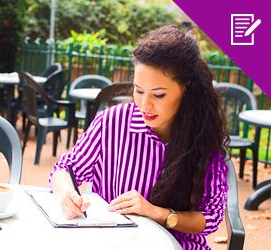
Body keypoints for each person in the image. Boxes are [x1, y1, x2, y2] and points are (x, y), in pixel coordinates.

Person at [49, 25, 229, 249]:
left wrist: (155, 212)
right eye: (138, 90)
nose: (145, 105)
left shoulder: (202, 136)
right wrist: (67, 194)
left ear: (185, 88)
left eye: (159, 94)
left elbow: (209, 218)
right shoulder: (112, 123)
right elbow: (64, 170)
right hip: (114, 243)